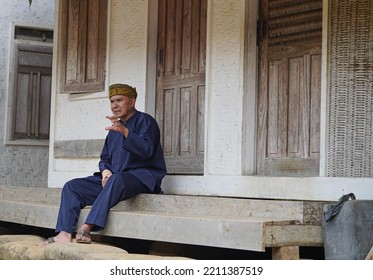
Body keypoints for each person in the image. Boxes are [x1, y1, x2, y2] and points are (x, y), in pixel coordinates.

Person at [44, 83, 167, 244]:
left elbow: (146, 151)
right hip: (114, 181)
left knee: (117, 179)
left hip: (141, 178)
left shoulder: (145, 121)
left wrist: (125, 132)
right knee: (72, 186)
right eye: (112, 101)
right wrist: (105, 172)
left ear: (132, 101)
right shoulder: (115, 127)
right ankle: (64, 233)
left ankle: (87, 228)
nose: (115, 105)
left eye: (119, 100)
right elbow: (105, 158)